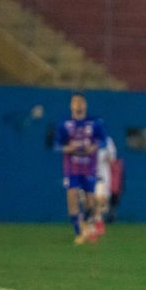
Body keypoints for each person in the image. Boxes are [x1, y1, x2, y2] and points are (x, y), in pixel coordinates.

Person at [54, 92, 107, 245]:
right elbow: (57, 145)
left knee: (91, 202)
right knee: (72, 197)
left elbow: (104, 141)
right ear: (71, 105)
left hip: (89, 168)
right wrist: (68, 148)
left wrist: (94, 147)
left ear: (85, 104)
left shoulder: (94, 123)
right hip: (71, 168)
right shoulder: (64, 124)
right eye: (75, 102)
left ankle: (89, 225)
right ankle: (79, 231)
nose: (78, 104)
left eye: (81, 102)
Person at [91, 135, 118, 239]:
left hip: (102, 174)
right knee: (89, 201)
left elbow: (112, 158)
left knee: (101, 199)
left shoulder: (107, 140)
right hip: (87, 174)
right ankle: (93, 224)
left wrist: (107, 156)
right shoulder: (86, 138)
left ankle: (98, 221)